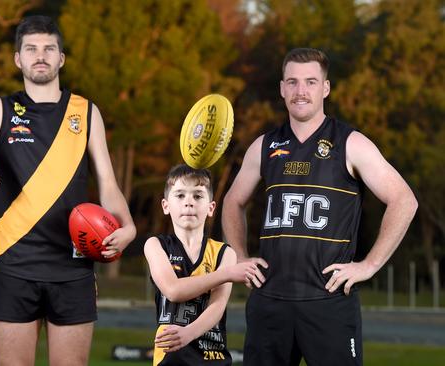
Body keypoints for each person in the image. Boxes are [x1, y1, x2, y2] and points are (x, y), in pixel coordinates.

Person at [0, 15, 136, 366]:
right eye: (31, 48)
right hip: (14, 265)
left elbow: (108, 184)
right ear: (18, 58)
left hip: (74, 267)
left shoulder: (86, 112)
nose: (41, 55)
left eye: (49, 49)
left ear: (61, 58)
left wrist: (130, 227)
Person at [221, 48, 418, 365]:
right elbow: (232, 200)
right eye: (293, 82)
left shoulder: (351, 143)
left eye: (311, 82)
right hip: (270, 302)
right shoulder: (264, 145)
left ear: (325, 88)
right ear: (282, 88)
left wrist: (369, 265)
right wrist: (239, 257)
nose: (301, 91)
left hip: (328, 303)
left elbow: (404, 199)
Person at [144, 164, 267, 365]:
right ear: (166, 206)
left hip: (212, 355)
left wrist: (189, 333)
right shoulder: (156, 245)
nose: (189, 203)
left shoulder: (224, 252)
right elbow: (173, 290)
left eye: (198, 196)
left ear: (211, 208)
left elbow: (217, 306)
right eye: (180, 195)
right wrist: (226, 274)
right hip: (171, 355)